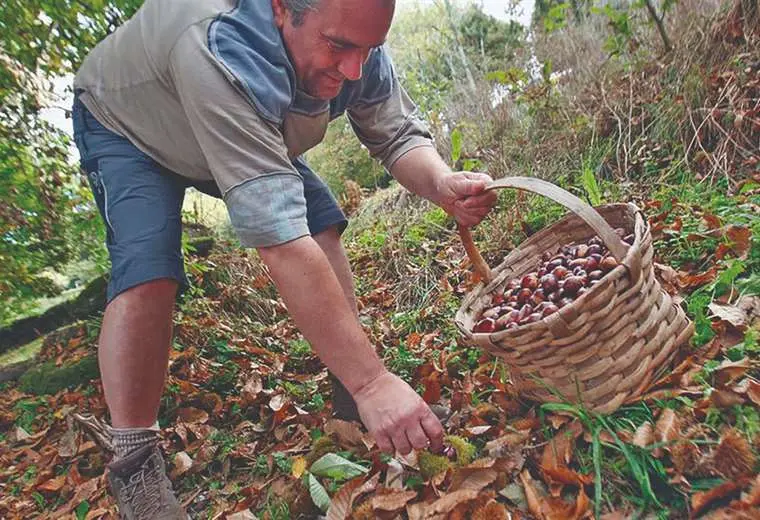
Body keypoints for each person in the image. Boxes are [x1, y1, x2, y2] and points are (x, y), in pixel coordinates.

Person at [71, 0, 497, 517]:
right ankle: (134, 458)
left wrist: (440, 183)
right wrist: (375, 381)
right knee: (148, 274)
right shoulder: (217, 45)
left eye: (369, 49)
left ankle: (348, 394)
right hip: (133, 128)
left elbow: (397, 132)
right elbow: (279, 240)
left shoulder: (352, 35)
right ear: (280, 9)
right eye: (339, 47)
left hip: (234, 120)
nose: (354, 69)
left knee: (322, 223)